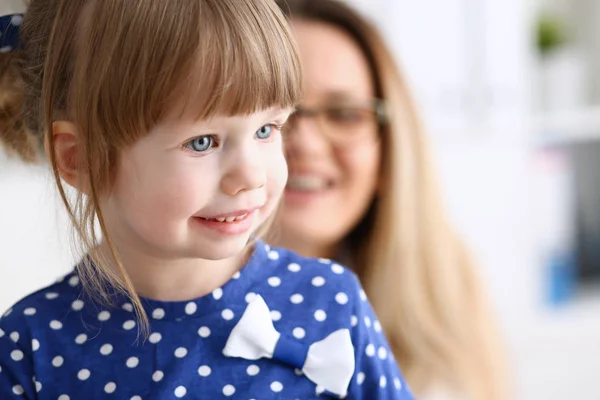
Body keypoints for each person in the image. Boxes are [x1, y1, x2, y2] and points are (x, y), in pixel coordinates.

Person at [0, 1, 414, 399]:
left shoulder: (330, 302)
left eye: (268, 129)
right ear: (81, 159)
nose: (250, 175)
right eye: (202, 141)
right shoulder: (29, 346)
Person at [272, 1, 508, 399]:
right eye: (274, 117)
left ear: (390, 153)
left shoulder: (445, 296)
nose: (306, 143)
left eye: (345, 114)